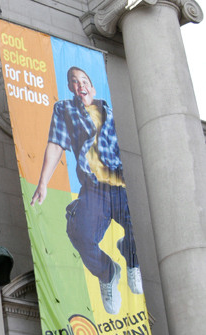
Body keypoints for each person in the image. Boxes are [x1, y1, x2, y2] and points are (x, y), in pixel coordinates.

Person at [31, 66, 143, 315]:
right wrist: (43, 182)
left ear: (92, 87)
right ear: (71, 88)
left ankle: (132, 255)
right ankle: (108, 272)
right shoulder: (65, 109)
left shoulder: (110, 110)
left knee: (141, 223)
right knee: (79, 233)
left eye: (84, 80)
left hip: (122, 185)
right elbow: (56, 143)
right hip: (94, 189)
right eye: (74, 81)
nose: (80, 84)